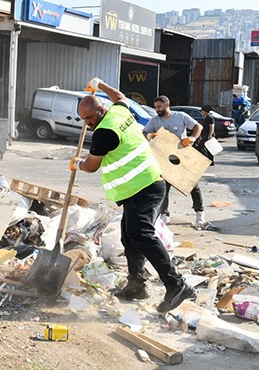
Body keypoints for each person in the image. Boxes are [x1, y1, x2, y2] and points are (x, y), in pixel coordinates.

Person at [72, 77, 194, 313]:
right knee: (129, 235)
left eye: (89, 118)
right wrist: (100, 85)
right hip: (139, 187)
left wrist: (77, 163)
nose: (87, 123)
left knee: (141, 233)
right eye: (83, 120)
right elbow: (120, 97)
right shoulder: (118, 111)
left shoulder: (105, 133)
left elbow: (92, 166)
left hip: (145, 187)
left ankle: (177, 285)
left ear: (101, 109)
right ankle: (136, 285)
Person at [143, 95, 206, 227]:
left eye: (159, 107)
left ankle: (200, 213)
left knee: (193, 186)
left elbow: (198, 126)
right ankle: (164, 215)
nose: (157, 110)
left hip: (182, 157)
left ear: (167, 105)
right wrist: (148, 135)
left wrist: (193, 138)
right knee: (164, 188)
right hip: (164, 160)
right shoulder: (155, 121)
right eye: (155, 107)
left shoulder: (180, 116)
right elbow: (144, 132)